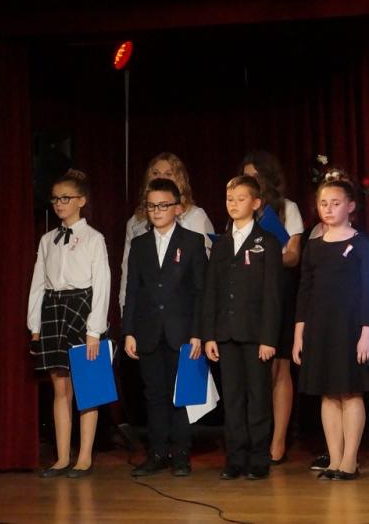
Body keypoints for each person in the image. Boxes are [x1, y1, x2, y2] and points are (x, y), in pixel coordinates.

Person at [293, 176, 369, 481]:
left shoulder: (364, 244)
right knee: (327, 394)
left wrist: (367, 331)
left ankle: (349, 460)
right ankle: (334, 458)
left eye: (335, 203)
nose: (328, 209)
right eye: (323, 204)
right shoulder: (314, 246)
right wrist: (299, 334)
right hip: (320, 327)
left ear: (351, 206)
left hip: (350, 327)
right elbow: (305, 291)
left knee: (350, 392)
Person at [28, 169, 111, 478]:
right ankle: (62, 457)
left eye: (66, 198)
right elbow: (38, 283)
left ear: (81, 200)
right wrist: (35, 326)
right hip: (53, 308)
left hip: (82, 308)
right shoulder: (47, 240)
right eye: (55, 199)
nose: (59, 204)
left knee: (88, 386)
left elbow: (102, 284)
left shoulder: (94, 238)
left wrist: (94, 330)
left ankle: (84, 457)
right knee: (60, 387)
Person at [122, 178, 208, 477]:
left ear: (178, 208)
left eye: (163, 205)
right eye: (152, 206)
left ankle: (181, 453)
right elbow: (132, 291)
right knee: (154, 394)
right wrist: (129, 331)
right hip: (148, 330)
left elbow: (200, 292)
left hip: (181, 331)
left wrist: (198, 332)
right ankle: (157, 452)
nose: (157, 211)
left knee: (181, 395)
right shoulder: (140, 244)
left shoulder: (192, 242)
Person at [201, 175, 283, 480]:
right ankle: (235, 458)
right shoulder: (221, 244)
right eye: (229, 199)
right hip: (226, 333)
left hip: (255, 334)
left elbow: (273, 295)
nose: (233, 204)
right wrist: (210, 335)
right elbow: (211, 291)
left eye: (240, 199)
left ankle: (259, 457)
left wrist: (268, 338)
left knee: (258, 397)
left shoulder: (267, 242)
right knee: (233, 399)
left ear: (256, 203)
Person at [241, 151, 304, 464]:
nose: (250, 181)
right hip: (248, 295)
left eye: (254, 176)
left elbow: (293, 255)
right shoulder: (241, 210)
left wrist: (265, 256)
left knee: (279, 366)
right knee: (253, 369)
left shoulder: (286, 208)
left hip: (279, 291)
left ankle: (278, 441)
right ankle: (255, 437)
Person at [119, 152, 213, 312]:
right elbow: (127, 271)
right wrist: (124, 307)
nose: (161, 177)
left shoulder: (195, 217)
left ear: (180, 180)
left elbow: (204, 274)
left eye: (168, 174)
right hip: (147, 311)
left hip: (182, 311)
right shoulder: (135, 223)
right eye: (155, 173)